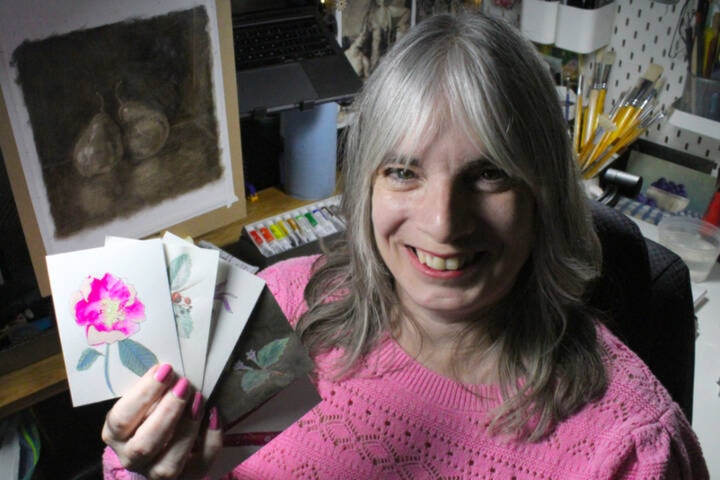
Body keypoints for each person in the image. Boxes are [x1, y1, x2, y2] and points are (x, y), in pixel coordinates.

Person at [102, 11, 709, 479]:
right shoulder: (280, 309)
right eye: (402, 171)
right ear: (365, 183)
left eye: (489, 173)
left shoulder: (633, 448)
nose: (442, 223)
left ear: (543, 194)